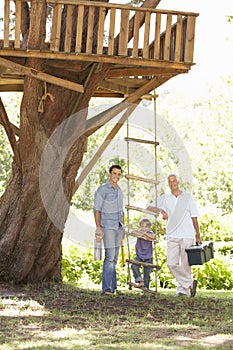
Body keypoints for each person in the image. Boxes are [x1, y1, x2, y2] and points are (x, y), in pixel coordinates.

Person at [147, 174, 201, 297]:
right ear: (168, 184)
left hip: (187, 234)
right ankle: (190, 283)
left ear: (178, 181)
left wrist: (198, 235)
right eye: (170, 182)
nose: (172, 184)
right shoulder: (165, 198)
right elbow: (149, 207)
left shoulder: (188, 197)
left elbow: (194, 217)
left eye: (174, 181)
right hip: (172, 235)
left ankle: (183, 291)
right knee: (171, 263)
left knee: (185, 264)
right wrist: (162, 211)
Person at [94, 165, 125, 295]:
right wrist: (98, 227)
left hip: (118, 226)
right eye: (114, 173)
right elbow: (97, 210)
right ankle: (107, 288)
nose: (116, 176)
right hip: (107, 226)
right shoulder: (102, 190)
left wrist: (123, 227)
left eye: (119, 174)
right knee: (110, 257)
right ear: (109, 174)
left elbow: (121, 210)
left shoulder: (119, 191)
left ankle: (113, 287)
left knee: (115, 258)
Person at [131, 218, 155, 289]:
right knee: (134, 265)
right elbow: (132, 232)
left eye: (146, 227)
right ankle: (140, 280)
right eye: (142, 226)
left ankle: (146, 290)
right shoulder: (139, 233)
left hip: (148, 257)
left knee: (146, 275)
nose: (144, 228)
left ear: (149, 228)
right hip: (139, 255)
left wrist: (144, 234)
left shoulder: (150, 233)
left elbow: (153, 237)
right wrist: (140, 233)